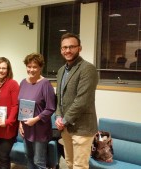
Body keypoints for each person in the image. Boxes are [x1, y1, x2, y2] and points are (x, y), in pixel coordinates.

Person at [55, 32, 98, 169]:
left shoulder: (87, 68)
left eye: (72, 47)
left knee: (79, 166)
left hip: (82, 127)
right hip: (66, 126)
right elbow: (59, 97)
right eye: (64, 47)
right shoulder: (61, 70)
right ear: (61, 50)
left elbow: (82, 100)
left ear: (79, 48)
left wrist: (64, 120)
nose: (68, 50)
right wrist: (57, 116)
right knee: (69, 163)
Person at [18, 53, 56, 169]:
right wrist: (20, 123)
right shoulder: (23, 82)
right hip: (26, 127)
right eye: (29, 66)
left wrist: (35, 119)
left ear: (40, 68)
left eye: (35, 67)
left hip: (40, 129)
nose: (31, 69)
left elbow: (50, 108)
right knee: (29, 158)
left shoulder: (45, 84)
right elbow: (20, 105)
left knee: (39, 162)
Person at [0, 57, 19, 169]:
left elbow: (15, 105)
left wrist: (8, 121)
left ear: (8, 70)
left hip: (8, 127)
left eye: (4, 68)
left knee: (3, 155)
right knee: (2, 156)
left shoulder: (13, 84)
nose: (1, 70)